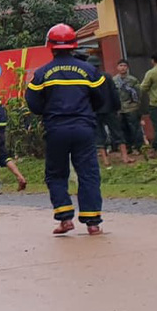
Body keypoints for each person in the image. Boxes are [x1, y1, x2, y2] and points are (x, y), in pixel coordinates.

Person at [25, 24, 109, 235]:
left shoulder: (42, 74)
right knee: (88, 173)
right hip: (84, 128)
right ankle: (92, 222)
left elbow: (33, 104)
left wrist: (50, 112)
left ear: (50, 47)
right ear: (73, 46)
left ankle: (64, 219)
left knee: (56, 174)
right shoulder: (90, 71)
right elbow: (101, 99)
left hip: (56, 130)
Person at [85, 54, 131, 166]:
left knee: (99, 135)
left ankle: (105, 160)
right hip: (109, 109)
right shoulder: (107, 76)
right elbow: (114, 94)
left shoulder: (85, 79)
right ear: (99, 66)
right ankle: (125, 157)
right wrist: (117, 107)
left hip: (94, 111)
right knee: (117, 132)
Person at [114, 59, 144, 156]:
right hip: (120, 109)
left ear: (127, 67)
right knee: (123, 129)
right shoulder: (114, 80)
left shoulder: (133, 80)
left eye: (124, 66)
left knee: (134, 128)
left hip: (132, 108)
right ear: (117, 67)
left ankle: (138, 147)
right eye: (120, 65)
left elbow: (138, 93)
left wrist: (137, 105)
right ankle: (128, 147)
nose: (122, 68)